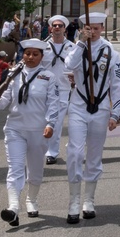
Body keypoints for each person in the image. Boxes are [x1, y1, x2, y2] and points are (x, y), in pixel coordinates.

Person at [0, 37, 63, 225]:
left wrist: (51, 124)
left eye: (35, 54)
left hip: (38, 130)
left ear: (41, 57)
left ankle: (32, 200)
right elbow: (6, 98)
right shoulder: (14, 74)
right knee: (15, 168)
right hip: (15, 129)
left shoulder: (48, 77)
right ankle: (13, 207)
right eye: (27, 53)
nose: (30, 57)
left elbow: (54, 104)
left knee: (35, 170)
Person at [64, 11, 120, 224]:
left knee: (94, 156)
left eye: (97, 28)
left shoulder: (111, 52)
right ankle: (73, 200)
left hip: (100, 109)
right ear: (83, 29)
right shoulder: (77, 48)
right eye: (89, 28)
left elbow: (117, 86)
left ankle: (88, 200)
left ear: (102, 29)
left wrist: (115, 113)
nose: (93, 32)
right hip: (79, 106)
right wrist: (81, 43)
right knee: (75, 152)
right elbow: (68, 66)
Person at [42, 15, 73, 164]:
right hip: (44, 90)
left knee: (57, 122)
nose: (57, 28)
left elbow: (79, 67)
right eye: (54, 25)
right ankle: (39, 148)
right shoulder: (42, 47)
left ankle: (52, 153)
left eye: (60, 26)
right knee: (42, 121)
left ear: (64, 29)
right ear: (50, 28)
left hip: (63, 89)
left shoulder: (72, 48)